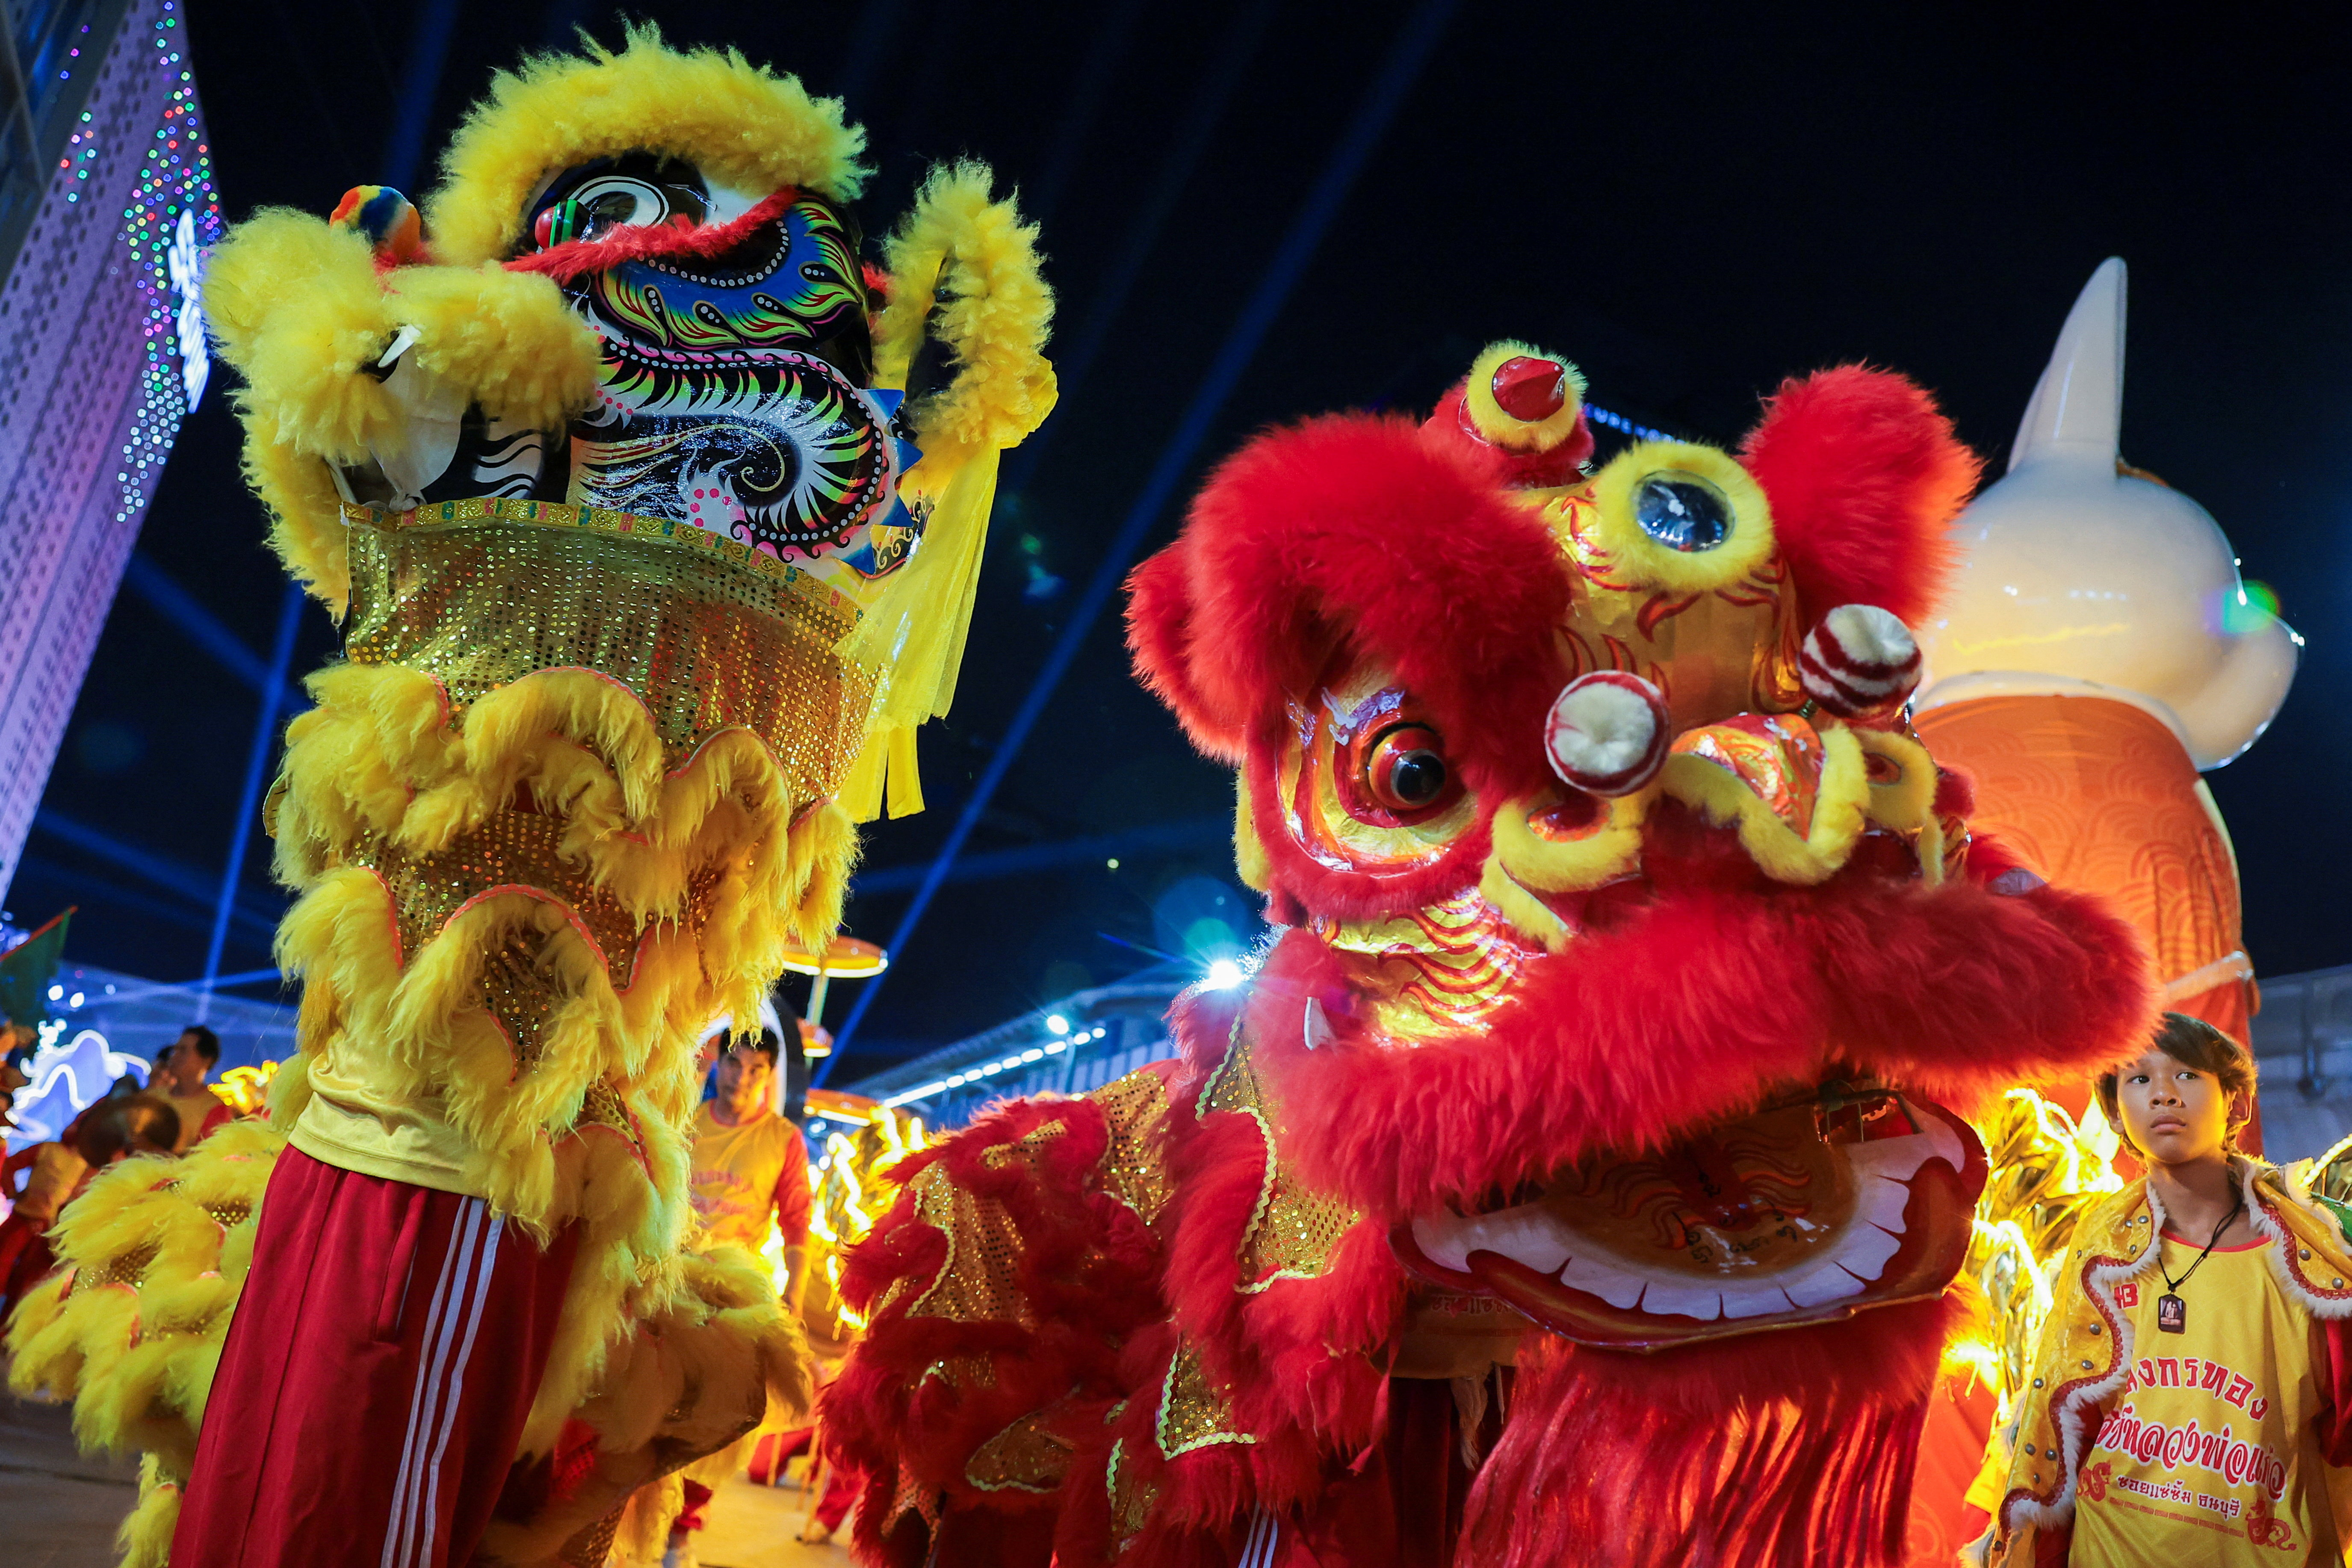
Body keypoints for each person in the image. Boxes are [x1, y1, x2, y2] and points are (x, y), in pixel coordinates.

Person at [1989, 1013, 2352, 1565]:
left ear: (2236, 1101)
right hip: (2111, 1546)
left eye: (2186, 1075)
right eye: (2137, 1080)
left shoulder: (2316, 1248)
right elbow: (2062, 1418)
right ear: (2114, 1113)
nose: (2162, 1095)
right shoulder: (2100, 1243)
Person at [659, 1026, 815, 1568]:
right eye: (734, 1063)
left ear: (770, 1076)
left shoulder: (783, 1140)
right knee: (648, 1408)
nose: (742, 1078)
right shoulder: (687, 1122)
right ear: (717, 1063)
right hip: (669, 1281)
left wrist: (794, 1292)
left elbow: (798, 1225)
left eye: (755, 1069)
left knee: (717, 1418)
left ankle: (682, 1531)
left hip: (733, 1293)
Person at [0, 1092, 179, 1318]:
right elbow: (12, 1167)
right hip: (31, 1223)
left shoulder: (99, 1170)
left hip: (61, 1241)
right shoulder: (57, 1152)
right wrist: (15, 1193)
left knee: (33, 1292)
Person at [150, 1024, 234, 1152]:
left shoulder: (215, 1108)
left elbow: (207, 1159)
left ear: (206, 1060)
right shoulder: (153, 1097)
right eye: (175, 1050)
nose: (174, 1056)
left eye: (183, 1050)